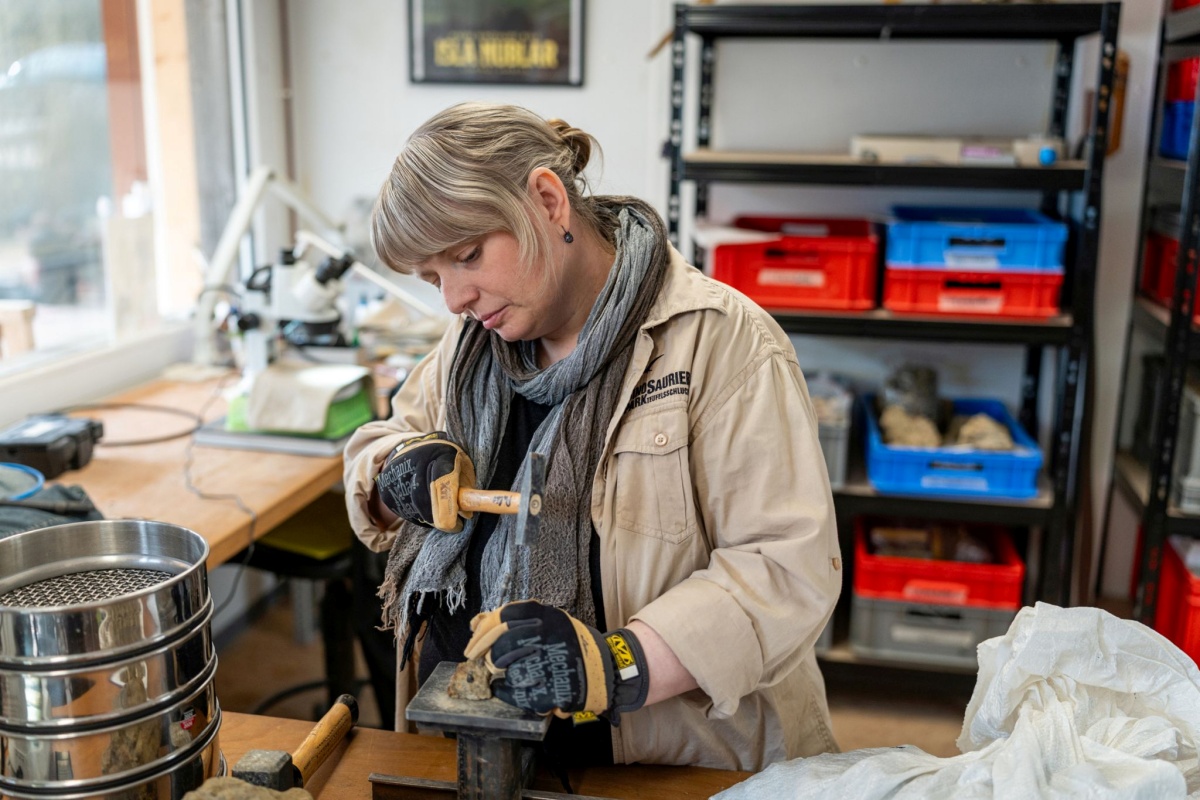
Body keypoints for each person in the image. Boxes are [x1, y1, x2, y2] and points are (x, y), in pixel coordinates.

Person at [343, 102, 841, 771]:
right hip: (474, 740)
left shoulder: (724, 342)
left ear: (547, 201)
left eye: (468, 255)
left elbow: (784, 566)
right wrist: (391, 471)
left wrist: (616, 665)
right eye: (435, 277)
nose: (455, 297)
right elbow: (384, 446)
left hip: (654, 761)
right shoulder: (473, 345)